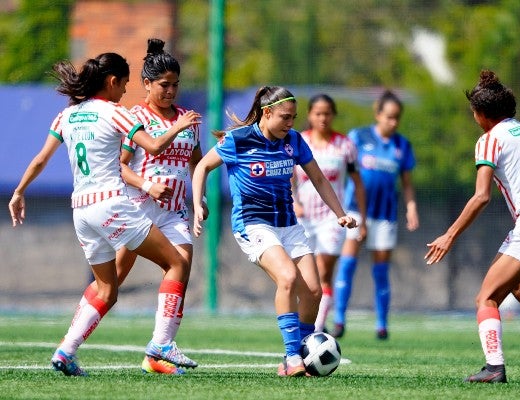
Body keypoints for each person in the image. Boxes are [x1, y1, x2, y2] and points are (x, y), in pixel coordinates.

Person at [8, 52, 201, 376]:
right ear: (112, 82)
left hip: (81, 211)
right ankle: (161, 345)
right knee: (176, 263)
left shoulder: (66, 115)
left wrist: (19, 191)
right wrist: (179, 126)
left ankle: (65, 352)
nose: (125, 92)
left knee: (107, 289)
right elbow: (153, 147)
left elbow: (41, 159)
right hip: (114, 204)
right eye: (124, 85)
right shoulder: (116, 113)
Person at [191, 86, 357, 377]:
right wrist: (198, 204)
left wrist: (340, 214)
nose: (291, 124)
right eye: (285, 117)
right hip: (253, 224)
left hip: (289, 225)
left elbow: (317, 177)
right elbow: (203, 166)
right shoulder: (238, 140)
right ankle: (293, 356)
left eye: (294, 117)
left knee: (314, 291)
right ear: (266, 113)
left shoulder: (293, 140)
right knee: (288, 278)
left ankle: (303, 356)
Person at [425, 70, 520, 383]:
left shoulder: (489, 140)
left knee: (486, 298)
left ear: (482, 115)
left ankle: (494, 368)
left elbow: (481, 197)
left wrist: (449, 235)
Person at [75, 39, 205, 374]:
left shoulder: (187, 120)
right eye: (164, 85)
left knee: (182, 263)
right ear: (146, 84)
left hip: (174, 211)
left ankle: (157, 352)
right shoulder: (134, 117)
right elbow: (118, 165)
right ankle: (69, 344)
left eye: (175, 85)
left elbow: (196, 162)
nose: (171, 91)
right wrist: (147, 184)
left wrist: (200, 198)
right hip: (136, 208)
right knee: (112, 280)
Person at [332, 90, 419, 340]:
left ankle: (381, 324)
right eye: (389, 116)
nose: (393, 122)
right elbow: (343, 168)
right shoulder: (358, 137)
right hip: (355, 210)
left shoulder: (402, 145)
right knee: (347, 263)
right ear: (378, 114)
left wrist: (411, 206)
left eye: (397, 118)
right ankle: (339, 320)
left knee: (381, 270)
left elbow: (407, 182)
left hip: (385, 213)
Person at [292, 93, 367, 333]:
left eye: (327, 113)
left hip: (333, 219)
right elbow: (288, 177)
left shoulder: (345, 145)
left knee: (324, 271)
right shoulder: (299, 141)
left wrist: (362, 220)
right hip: (303, 218)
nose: (322, 118)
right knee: (303, 275)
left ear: (333, 115)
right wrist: (294, 201)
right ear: (310, 115)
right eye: (318, 113)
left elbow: (358, 183)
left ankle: (316, 327)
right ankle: (309, 320)